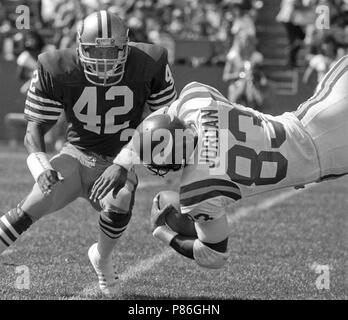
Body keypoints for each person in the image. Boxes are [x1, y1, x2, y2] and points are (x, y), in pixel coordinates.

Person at [112, 55, 348, 270]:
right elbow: (169, 113)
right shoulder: (197, 100)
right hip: (318, 113)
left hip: (329, 158)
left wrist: (161, 231)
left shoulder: (199, 191)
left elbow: (214, 256)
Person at [0, 10, 177, 295]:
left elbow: (165, 122)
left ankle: (102, 259)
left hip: (117, 158)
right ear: (81, 46)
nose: (104, 60)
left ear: (126, 47)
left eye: (112, 52)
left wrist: (125, 162)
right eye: (96, 51)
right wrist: (41, 168)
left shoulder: (149, 63)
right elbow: (34, 130)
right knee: (32, 204)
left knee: (120, 195)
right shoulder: (56, 66)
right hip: (76, 154)